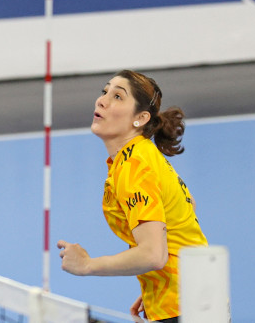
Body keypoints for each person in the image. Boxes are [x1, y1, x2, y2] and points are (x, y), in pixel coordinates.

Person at [57, 70, 208, 323]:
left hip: (183, 308)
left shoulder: (134, 164)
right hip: (196, 298)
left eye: (118, 97)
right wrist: (154, 282)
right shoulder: (142, 153)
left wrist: (87, 265)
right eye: (105, 92)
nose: (102, 101)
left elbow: (152, 255)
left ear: (140, 118)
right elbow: (187, 206)